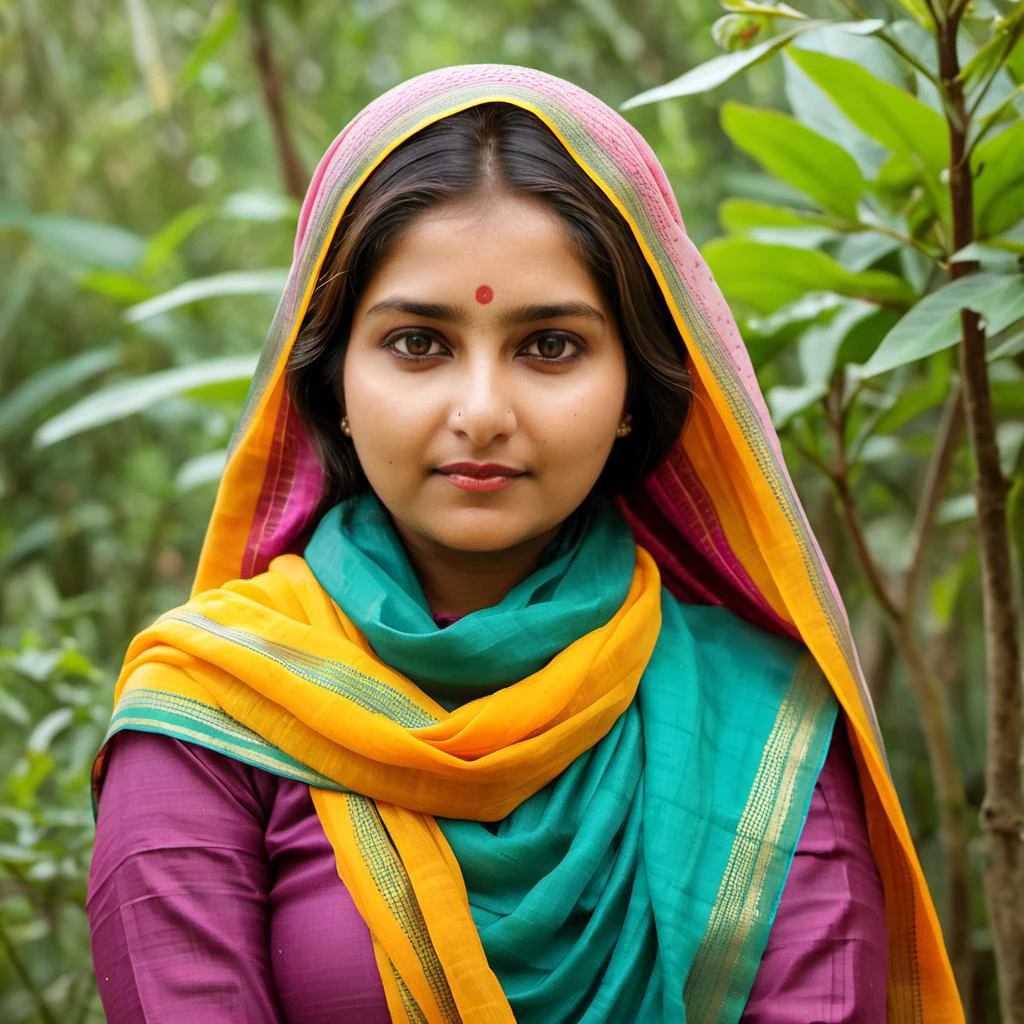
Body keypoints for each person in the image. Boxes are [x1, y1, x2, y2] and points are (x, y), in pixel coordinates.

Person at [86, 64, 963, 1023]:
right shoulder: (215, 719)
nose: (482, 413)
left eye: (550, 346)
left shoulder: (765, 728)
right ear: (333, 376)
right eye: (419, 343)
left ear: (637, 386)